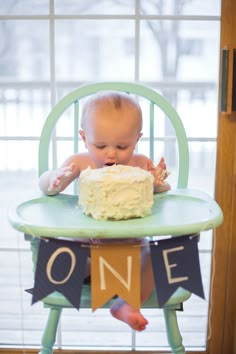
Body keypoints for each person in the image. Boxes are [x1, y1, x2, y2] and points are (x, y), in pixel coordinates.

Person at [39, 91, 170, 331]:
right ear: (84, 138)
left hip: (129, 253)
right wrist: (54, 178)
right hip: (87, 250)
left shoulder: (140, 163)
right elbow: (47, 189)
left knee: (154, 257)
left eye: (122, 145)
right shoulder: (80, 163)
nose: (111, 154)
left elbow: (162, 193)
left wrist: (158, 180)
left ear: (137, 139)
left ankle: (127, 304)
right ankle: (88, 275)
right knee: (62, 249)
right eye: (100, 145)